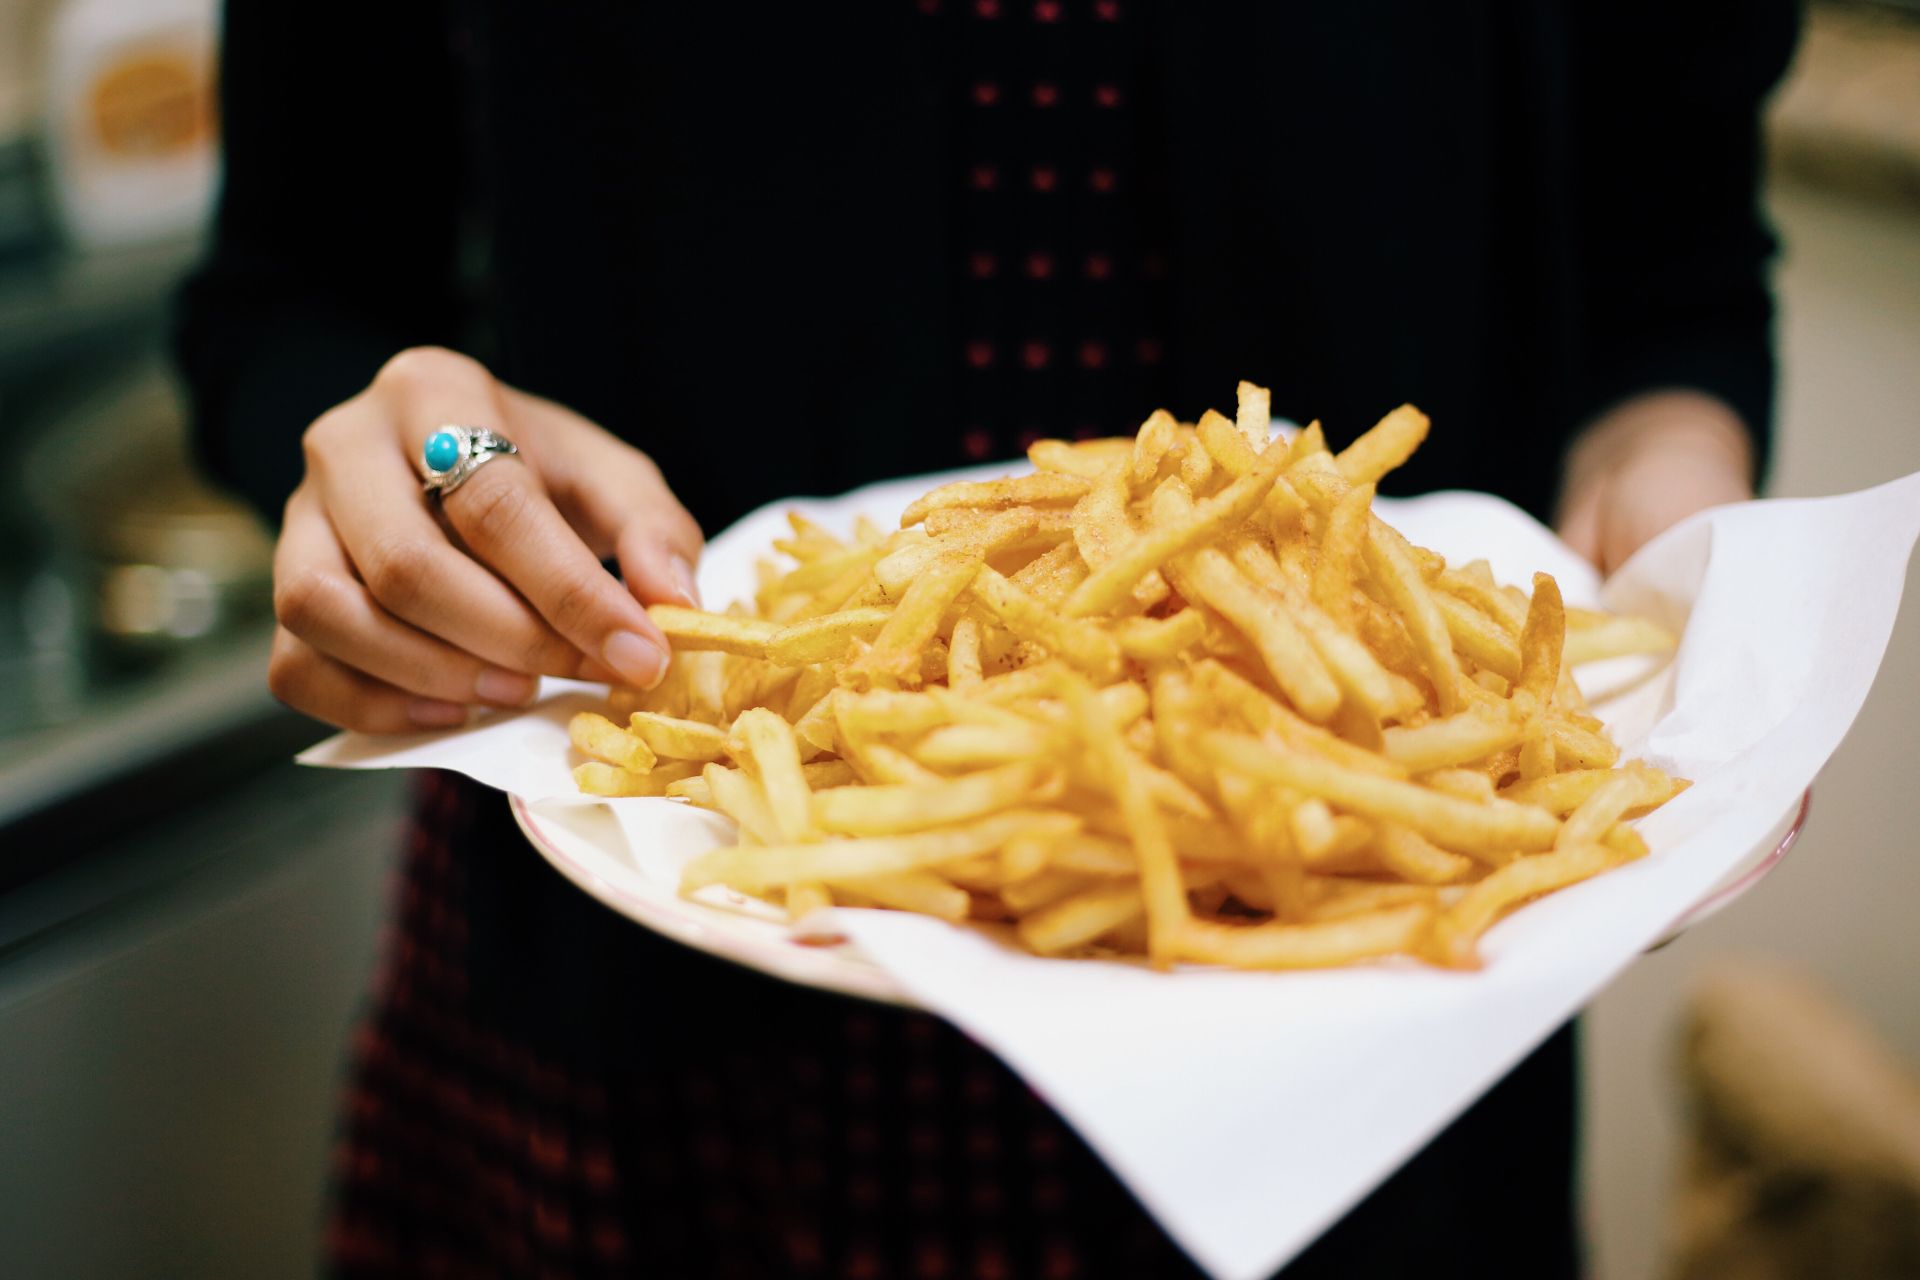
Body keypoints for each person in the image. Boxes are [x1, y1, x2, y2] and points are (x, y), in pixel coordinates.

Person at [177, 3, 1798, 1275]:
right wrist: (406, 473)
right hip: (663, 1003)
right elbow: (283, 290)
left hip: (1371, 1086)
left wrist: (1670, 486)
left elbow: (1677, 263)